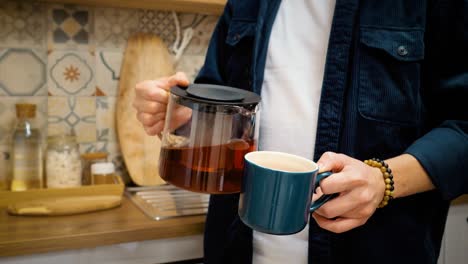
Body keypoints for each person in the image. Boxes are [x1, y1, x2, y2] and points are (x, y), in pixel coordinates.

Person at [133, 0, 468, 263]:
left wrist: (383, 180)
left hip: (376, 250)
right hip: (236, 248)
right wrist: (178, 113)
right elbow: (220, 104)